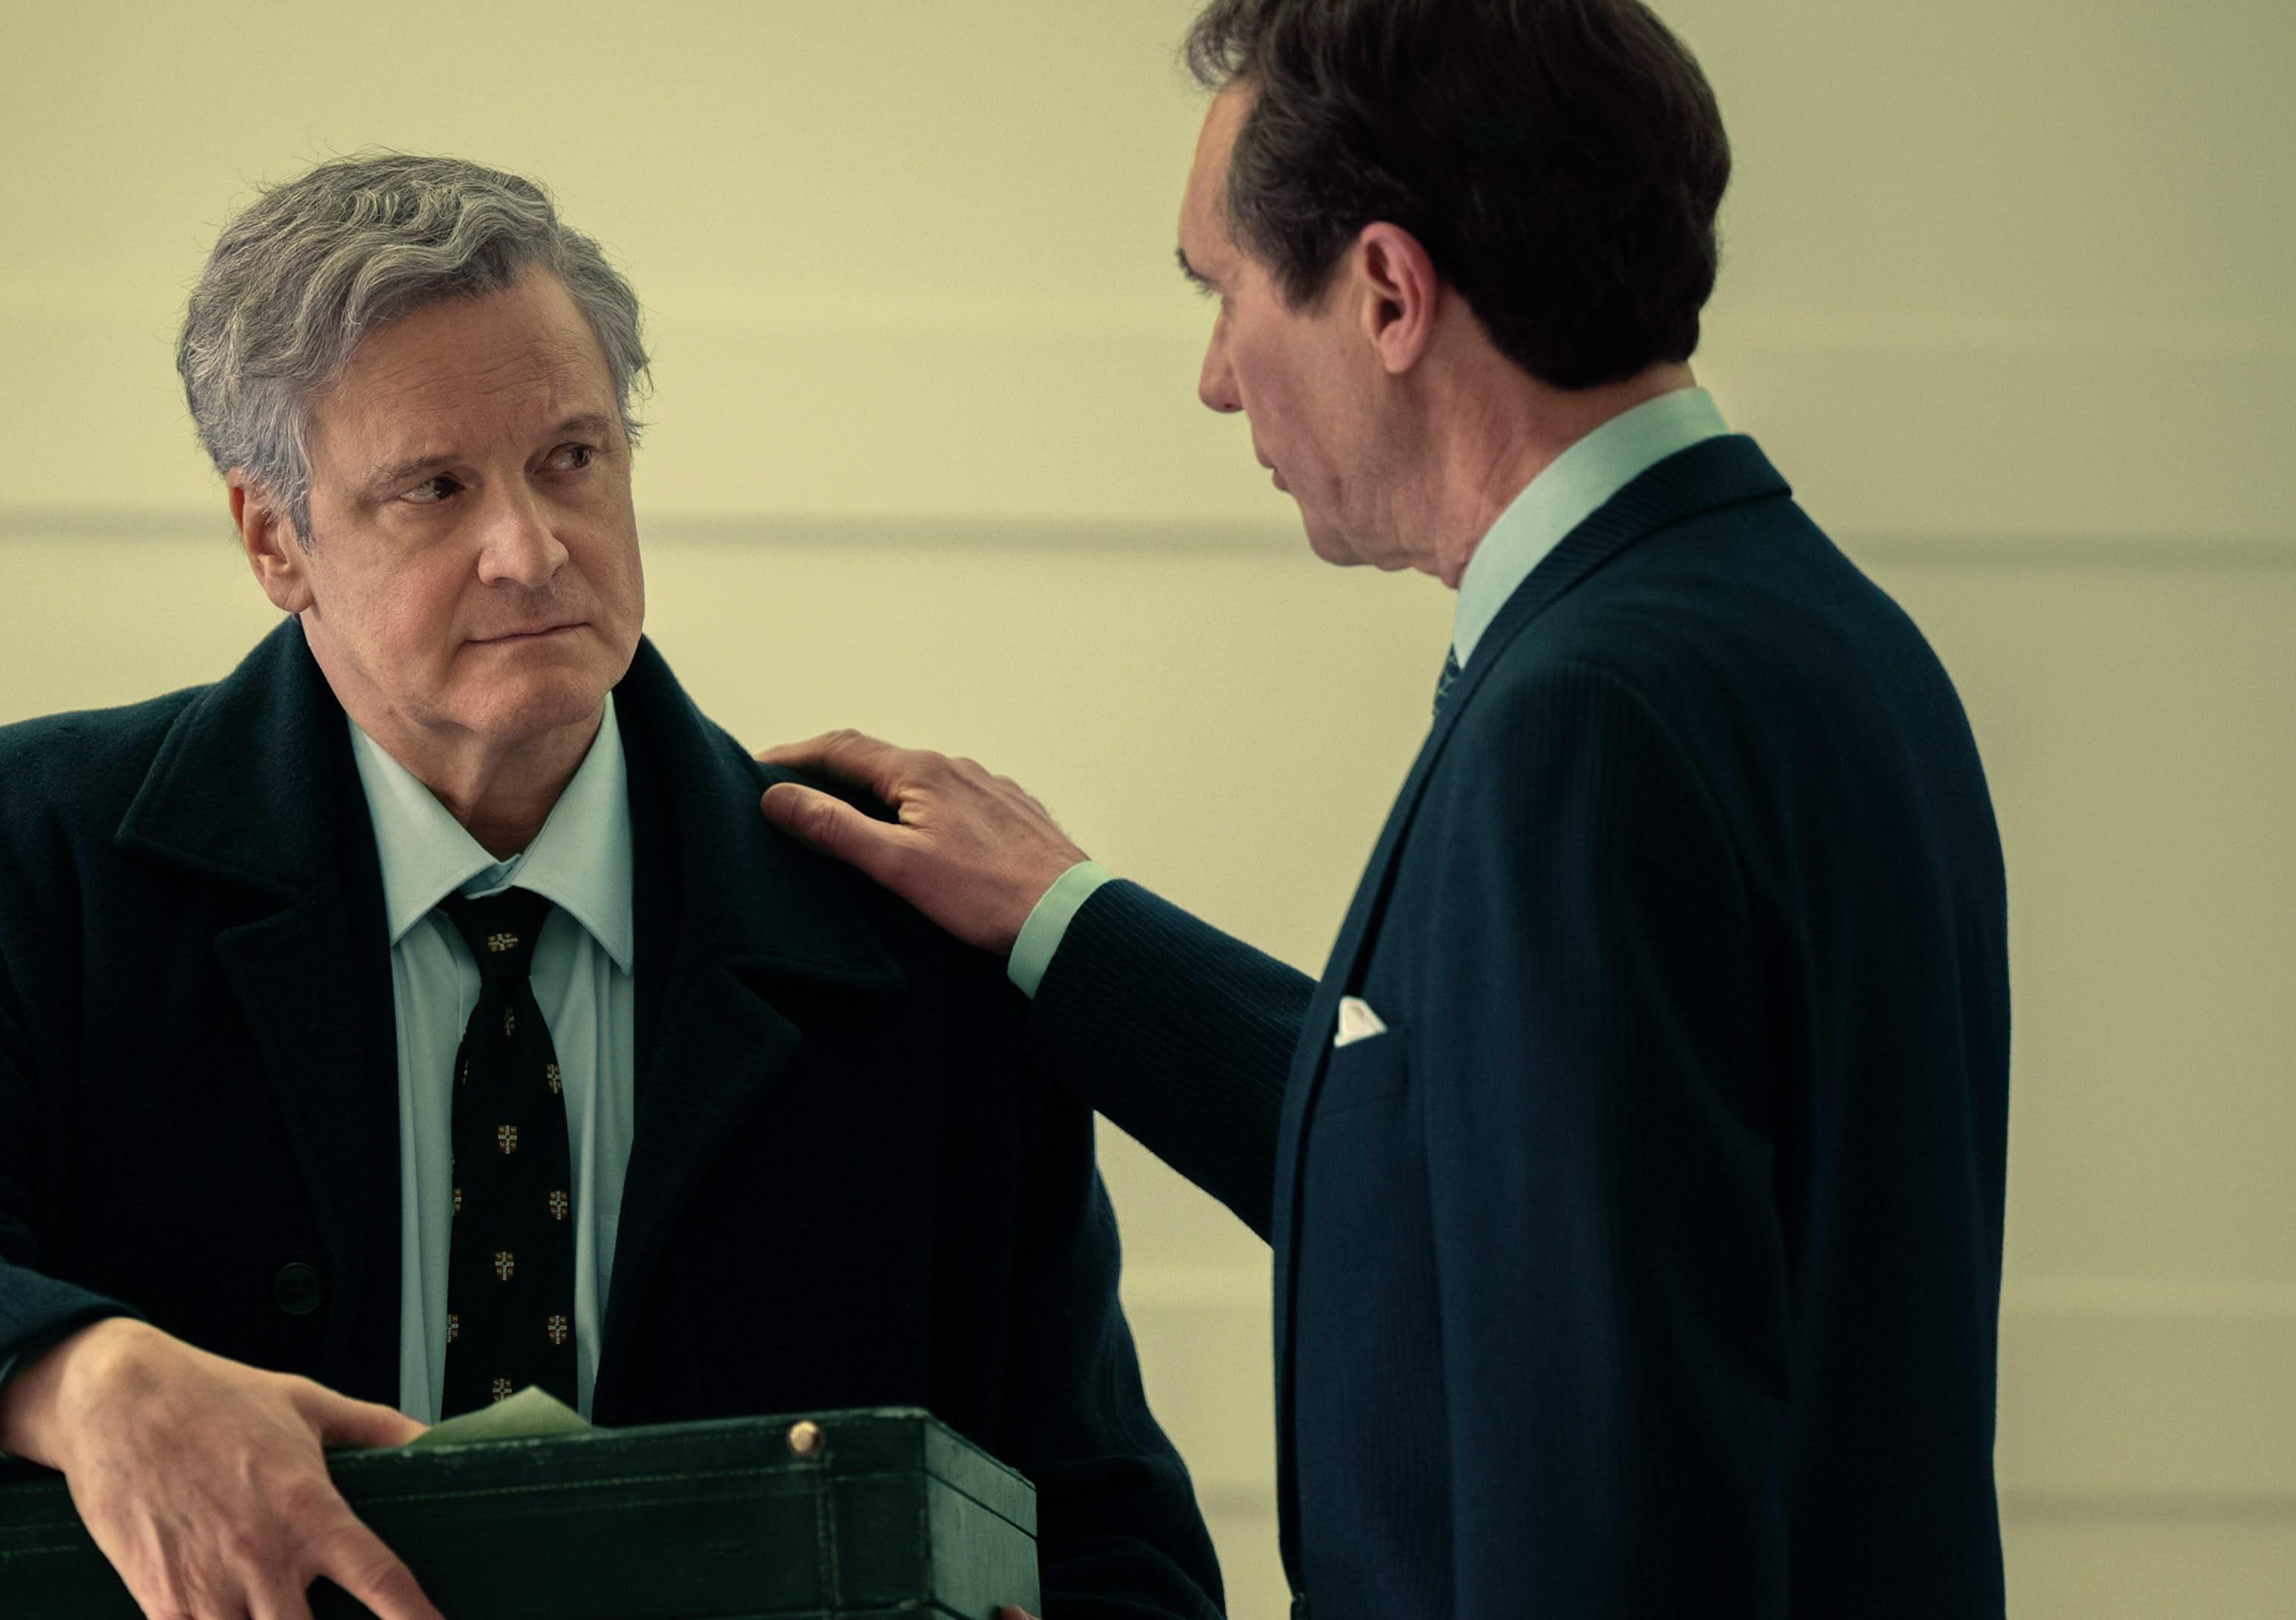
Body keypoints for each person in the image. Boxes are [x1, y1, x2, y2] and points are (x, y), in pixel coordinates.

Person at [0, 153, 1224, 1620]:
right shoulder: (32, 856)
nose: (530, 551)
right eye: (434, 490)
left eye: (571, 460)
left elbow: (1107, 1545)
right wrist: (82, 1380)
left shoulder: (905, 924)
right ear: (273, 539)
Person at [758, 2, 2011, 1616]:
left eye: (1221, 292)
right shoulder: (1829, 637)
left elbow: (1598, 1496)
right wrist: (1069, 921)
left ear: (1389, 295)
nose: (1217, 382)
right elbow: (1480, 1181)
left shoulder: (1582, 725)